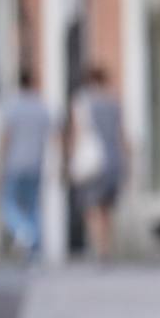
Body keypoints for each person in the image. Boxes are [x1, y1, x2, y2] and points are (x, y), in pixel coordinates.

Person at [68, 65, 128, 263]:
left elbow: (78, 134)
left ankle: (98, 248)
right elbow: (122, 134)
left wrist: (71, 159)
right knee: (106, 209)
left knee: (92, 207)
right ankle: (106, 247)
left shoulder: (83, 103)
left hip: (92, 161)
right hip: (113, 160)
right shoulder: (114, 102)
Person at [0, 67, 52, 263]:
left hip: (15, 164)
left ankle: (24, 232)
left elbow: (5, 137)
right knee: (33, 207)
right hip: (35, 164)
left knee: (8, 205)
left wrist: (1, 161)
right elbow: (52, 134)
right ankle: (33, 250)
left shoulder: (13, 107)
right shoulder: (41, 107)